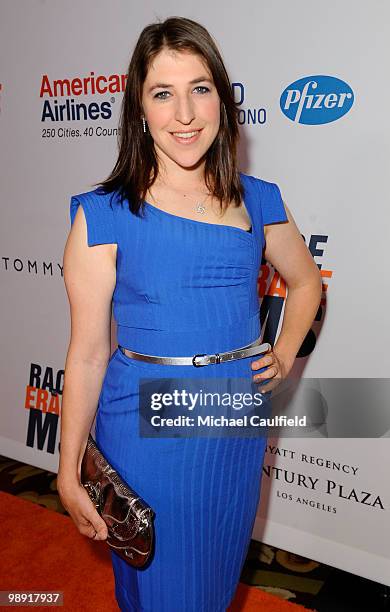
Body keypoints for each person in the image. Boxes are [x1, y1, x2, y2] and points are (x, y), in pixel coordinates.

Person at [57, 16, 322, 612]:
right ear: (138, 108)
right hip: (145, 422)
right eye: (162, 93)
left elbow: (305, 282)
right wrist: (68, 467)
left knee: (215, 579)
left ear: (223, 101)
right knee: (160, 589)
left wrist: (280, 355)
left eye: (200, 89)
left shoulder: (257, 199)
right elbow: (89, 352)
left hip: (234, 416)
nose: (184, 113)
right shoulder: (103, 215)